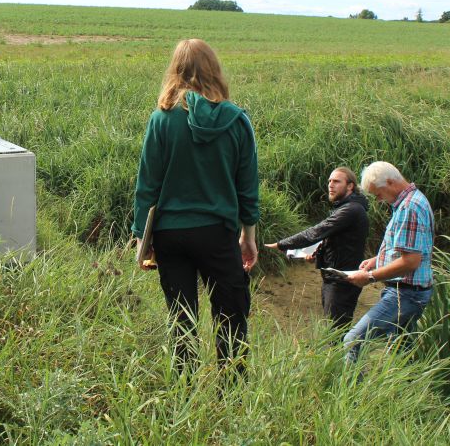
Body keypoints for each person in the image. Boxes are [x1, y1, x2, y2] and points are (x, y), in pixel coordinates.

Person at [132, 38, 259, 372]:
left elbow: (148, 183)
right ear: (214, 69)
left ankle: (185, 395)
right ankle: (232, 394)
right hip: (217, 233)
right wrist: (248, 235)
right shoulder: (237, 120)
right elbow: (247, 185)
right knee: (231, 316)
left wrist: (139, 237)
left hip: (170, 235)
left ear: (176, 70)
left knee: (181, 319)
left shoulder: (161, 119)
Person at [343, 161, 435, 364]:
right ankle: (406, 392)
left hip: (406, 294)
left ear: (391, 183)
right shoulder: (410, 202)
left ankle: (352, 393)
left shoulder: (409, 208)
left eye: (378, 194)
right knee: (400, 353)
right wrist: (377, 261)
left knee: (352, 341)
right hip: (410, 292)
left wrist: (369, 277)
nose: (379, 200)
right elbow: (408, 248)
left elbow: (410, 261)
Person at [265, 167, 369, 328]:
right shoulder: (346, 208)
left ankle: (346, 354)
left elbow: (315, 232)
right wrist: (317, 255)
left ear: (350, 186)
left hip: (342, 280)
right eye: (329, 181)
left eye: (336, 181)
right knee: (333, 331)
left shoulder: (351, 210)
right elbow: (336, 240)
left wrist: (281, 244)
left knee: (335, 333)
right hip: (335, 277)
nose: (330, 185)